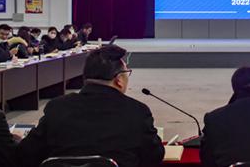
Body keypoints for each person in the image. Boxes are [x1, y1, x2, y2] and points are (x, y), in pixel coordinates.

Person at [17, 45, 164, 167]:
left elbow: (27, 153)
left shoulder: (57, 108)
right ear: (119, 80)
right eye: (127, 73)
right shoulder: (136, 111)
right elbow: (154, 156)